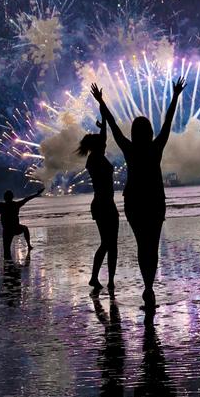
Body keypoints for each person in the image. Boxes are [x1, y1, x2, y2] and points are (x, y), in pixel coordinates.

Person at [91, 78, 186, 310]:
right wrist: (175, 96)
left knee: (141, 243)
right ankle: (148, 287)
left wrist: (101, 101)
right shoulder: (156, 147)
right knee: (152, 245)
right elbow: (168, 121)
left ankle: (148, 287)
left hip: (133, 202)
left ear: (134, 132)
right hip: (154, 200)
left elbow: (112, 124)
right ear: (150, 131)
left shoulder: (129, 148)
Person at [78, 118, 119, 293]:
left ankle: (100, 278)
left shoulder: (94, 158)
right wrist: (103, 119)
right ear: (97, 147)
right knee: (110, 244)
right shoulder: (95, 159)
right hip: (104, 204)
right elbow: (103, 140)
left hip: (103, 203)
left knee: (107, 243)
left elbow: (103, 139)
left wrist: (103, 123)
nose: (105, 145)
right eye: (102, 144)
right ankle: (107, 280)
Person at [0, 187, 44, 258]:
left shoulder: (1, 205)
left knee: (6, 251)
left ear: (4, 198)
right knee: (25, 228)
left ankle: (7, 265)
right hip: (16, 228)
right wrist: (37, 193)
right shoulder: (16, 204)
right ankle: (29, 245)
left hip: (6, 230)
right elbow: (27, 199)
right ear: (12, 197)